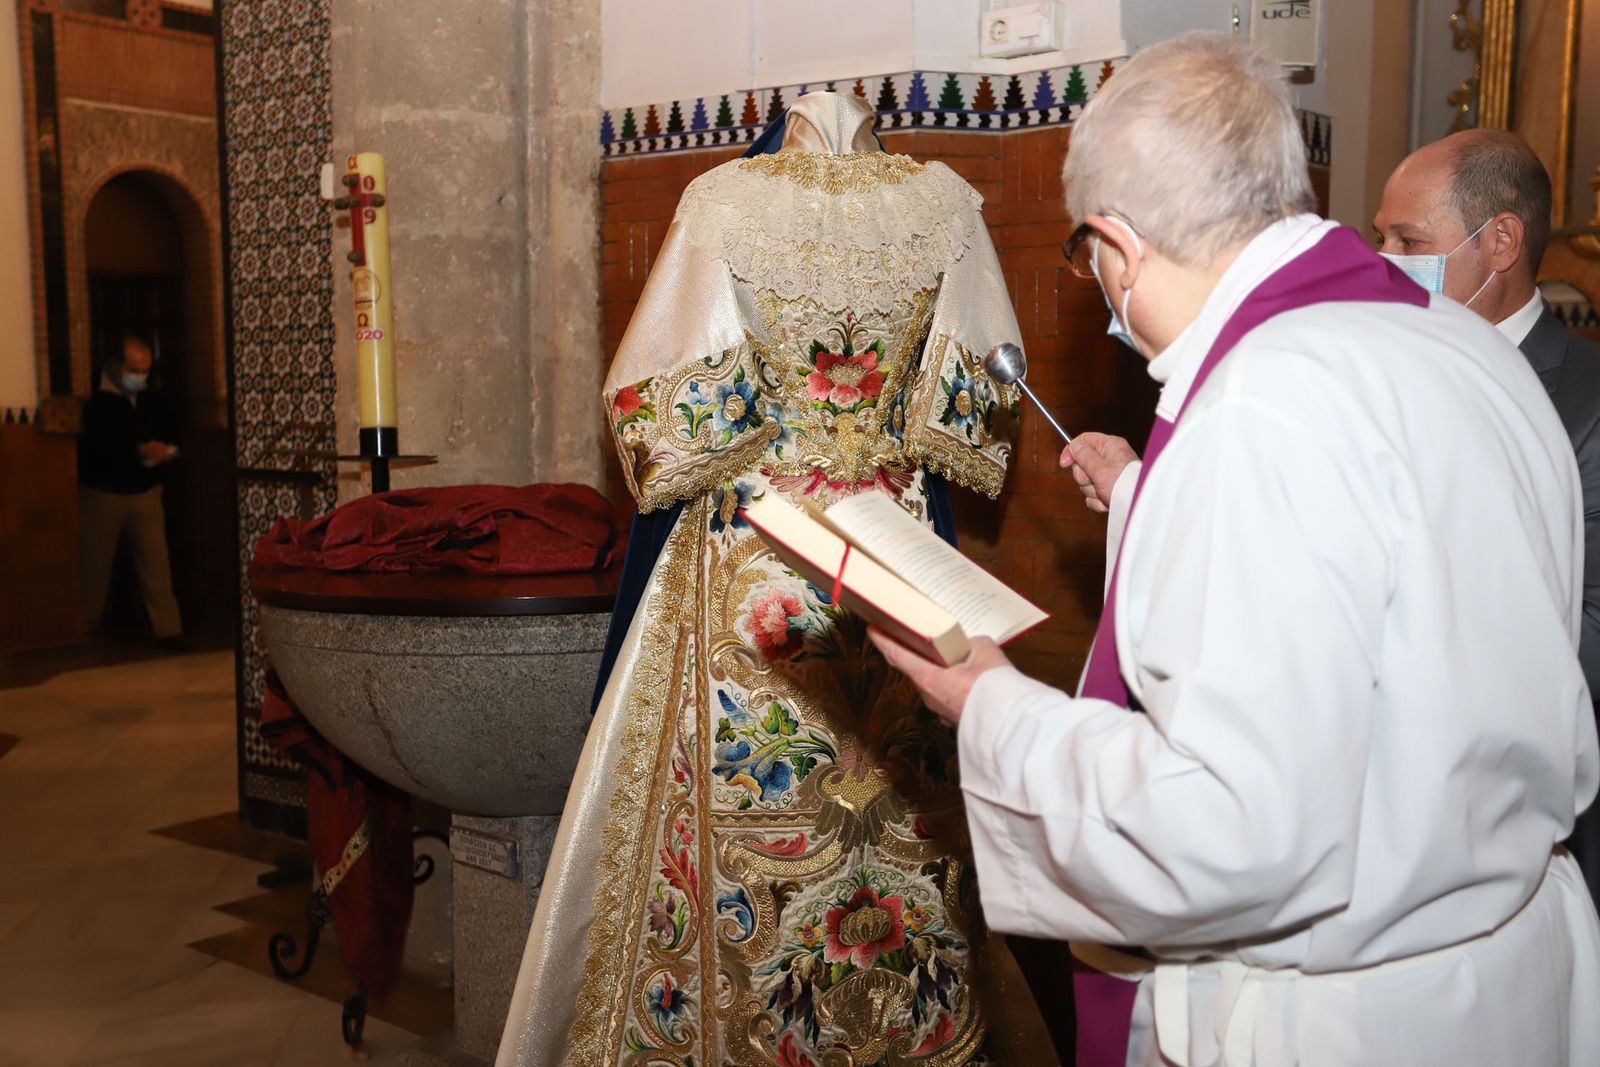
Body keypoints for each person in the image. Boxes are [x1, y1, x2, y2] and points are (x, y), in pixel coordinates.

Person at [872, 33, 1600, 1067]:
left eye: (1090, 262)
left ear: (1114, 244)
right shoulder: (1455, 341)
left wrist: (988, 700)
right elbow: (1403, 585)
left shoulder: (1261, 404)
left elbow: (1226, 826)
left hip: (1345, 1017)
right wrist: (1147, 500)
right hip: (1505, 971)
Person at [497, 91, 1055, 1065]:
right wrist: (879, 444)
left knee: (731, 813)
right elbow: (976, 410)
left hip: (756, 553)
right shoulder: (944, 205)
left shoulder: (721, 197)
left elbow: (660, 410)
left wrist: (778, 436)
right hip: (895, 550)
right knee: (902, 806)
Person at [78, 334, 182, 644]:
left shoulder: (151, 398)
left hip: (145, 490)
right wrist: (137, 450)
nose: (140, 377)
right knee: (94, 565)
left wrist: (160, 449)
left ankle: (168, 630)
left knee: (156, 565)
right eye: (134, 370)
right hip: (103, 492)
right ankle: (85, 627)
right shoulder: (95, 400)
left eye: (145, 371)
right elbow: (97, 446)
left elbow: (168, 426)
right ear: (116, 365)